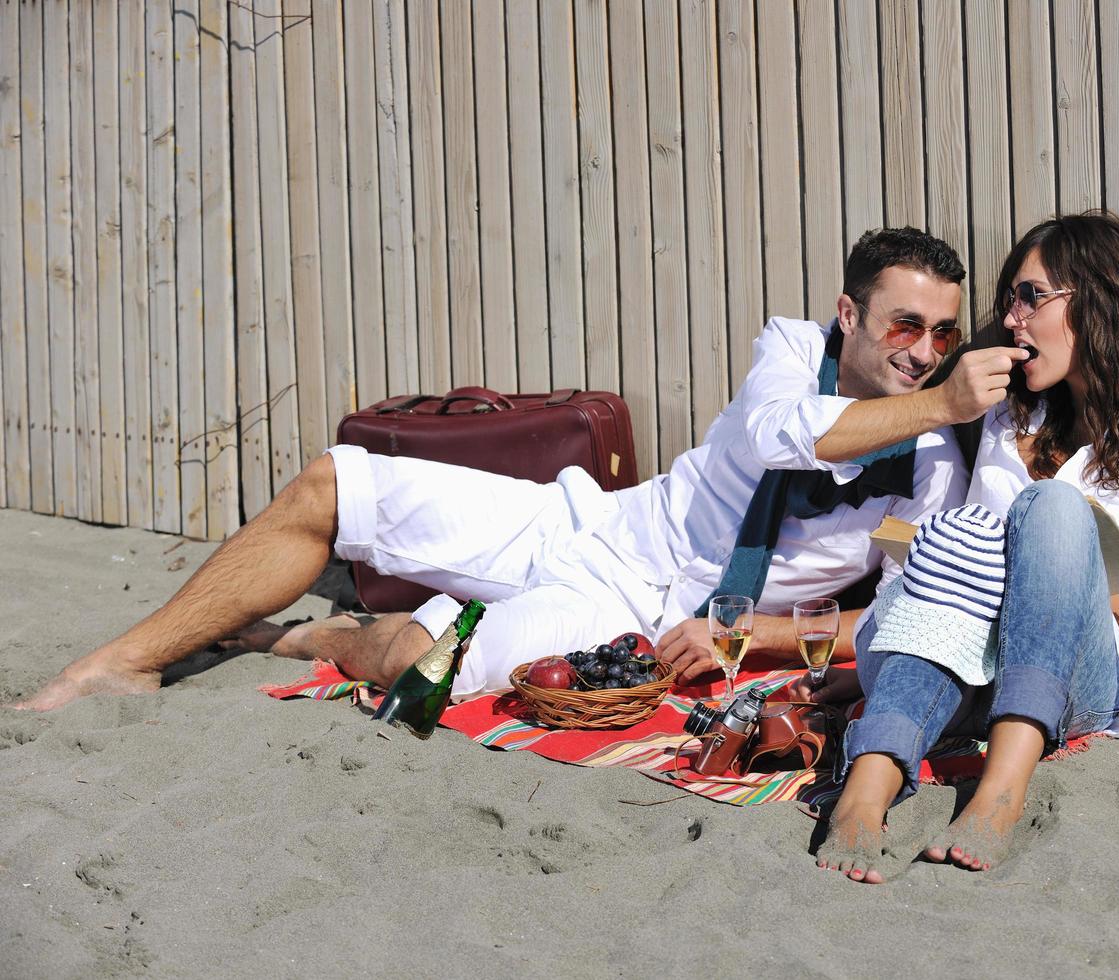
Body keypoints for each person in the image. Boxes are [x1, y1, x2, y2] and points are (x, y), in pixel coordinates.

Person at [15, 227, 1031, 713]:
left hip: (645, 607)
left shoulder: (940, 455)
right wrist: (941, 396)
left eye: (942, 333)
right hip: (595, 522)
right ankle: (118, 659)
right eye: (904, 321)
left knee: (430, 674)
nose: (923, 346)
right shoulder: (789, 348)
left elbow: (904, 606)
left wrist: (763, 632)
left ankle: (312, 632)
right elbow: (781, 434)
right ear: (851, 313)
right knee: (335, 479)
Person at [807, 211, 1119, 883]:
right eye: (1011, 300)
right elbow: (951, 574)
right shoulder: (1013, 415)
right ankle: (864, 792)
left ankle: (1001, 793)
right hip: (967, 651)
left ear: (1096, 299)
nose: (1013, 319)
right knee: (958, 553)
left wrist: (1047, 572)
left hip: (1080, 673)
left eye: (1031, 297)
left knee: (1053, 508)